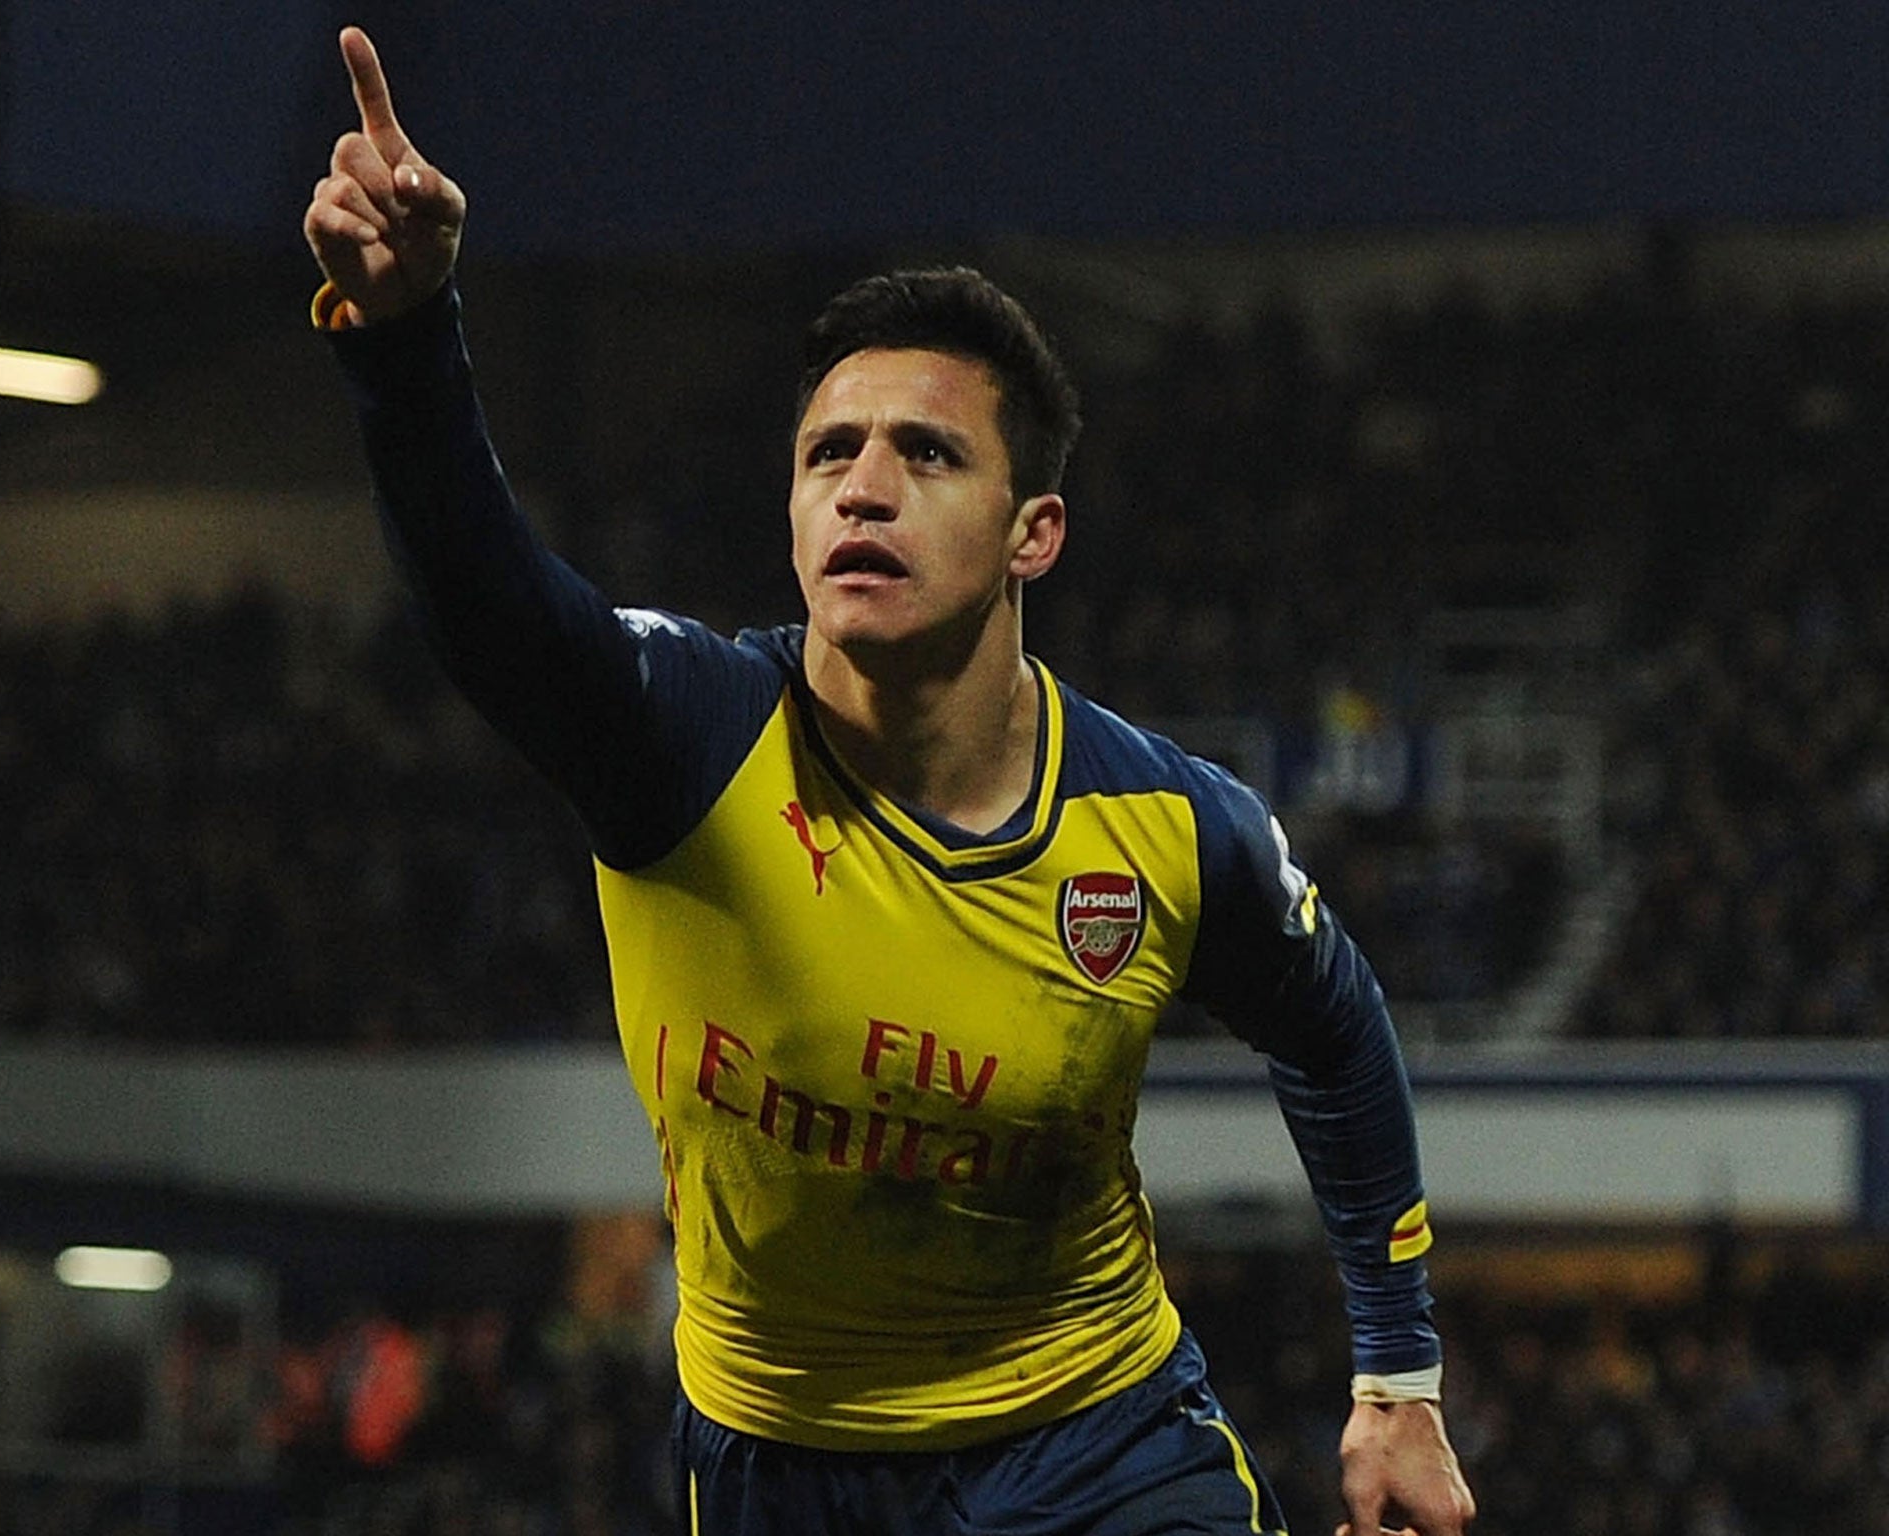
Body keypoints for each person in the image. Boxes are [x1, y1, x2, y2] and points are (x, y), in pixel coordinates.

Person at [304, 26, 1476, 1536]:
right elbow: (488, 611)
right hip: (780, 1469)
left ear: (1033, 532)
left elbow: (1337, 1027)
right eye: (827, 454)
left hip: (1100, 1442)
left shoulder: (1165, 832)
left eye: (926, 453)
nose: (863, 485)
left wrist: (1399, 1381)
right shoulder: (686, 738)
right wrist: (405, 338)